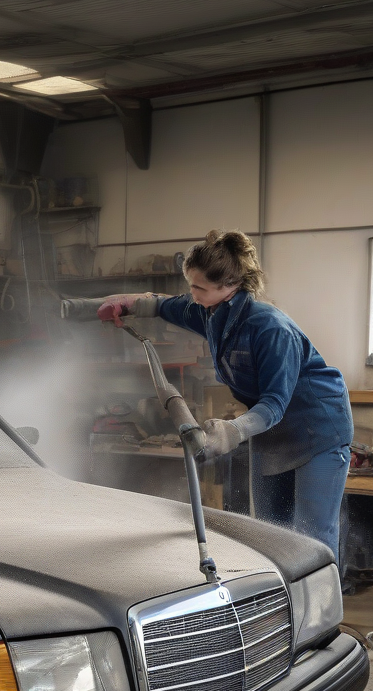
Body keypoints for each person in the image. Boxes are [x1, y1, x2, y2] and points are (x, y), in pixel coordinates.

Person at [97, 229, 353, 561]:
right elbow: (163, 306)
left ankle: (319, 608)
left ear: (229, 286)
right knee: (268, 533)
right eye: (190, 284)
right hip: (270, 430)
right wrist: (124, 304)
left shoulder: (271, 329)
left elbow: (276, 401)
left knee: (311, 537)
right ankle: (277, 607)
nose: (191, 293)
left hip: (317, 431)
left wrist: (232, 431)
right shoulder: (211, 312)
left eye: (198, 287)